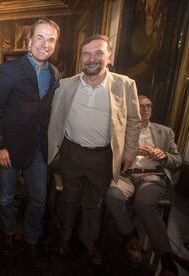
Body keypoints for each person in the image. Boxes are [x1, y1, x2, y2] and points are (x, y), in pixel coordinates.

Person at [47, 35, 141, 265]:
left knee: (93, 204)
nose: (92, 59)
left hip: (103, 157)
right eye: (86, 53)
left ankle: (89, 244)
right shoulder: (66, 85)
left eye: (98, 53)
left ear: (110, 56)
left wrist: (129, 152)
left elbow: (133, 121)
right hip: (71, 153)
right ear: (80, 58)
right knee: (69, 200)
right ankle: (64, 239)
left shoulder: (125, 85)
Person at [0, 18, 61, 268]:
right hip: (8, 148)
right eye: (40, 37)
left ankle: (31, 238)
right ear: (30, 42)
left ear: (55, 45)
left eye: (51, 39)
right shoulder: (10, 69)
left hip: (38, 149)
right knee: (7, 198)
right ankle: (8, 234)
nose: (45, 44)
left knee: (39, 199)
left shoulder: (55, 74)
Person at [105, 95, 181, 276]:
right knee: (112, 196)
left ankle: (166, 259)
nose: (146, 109)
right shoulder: (121, 130)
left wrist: (163, 156)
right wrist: (128, 151)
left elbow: (177, 160)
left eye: (149, 106)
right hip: (126, 176)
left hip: (152, 177)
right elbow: (108, 155)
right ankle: (131, 235)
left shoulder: (165, 132)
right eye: (141, 106)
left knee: (144, 204)